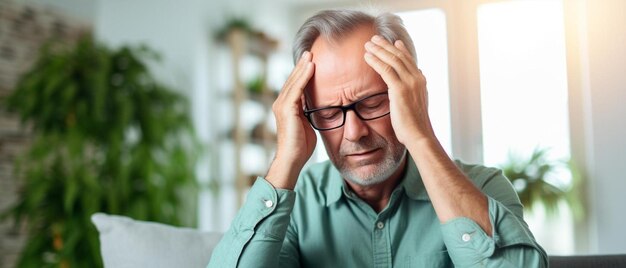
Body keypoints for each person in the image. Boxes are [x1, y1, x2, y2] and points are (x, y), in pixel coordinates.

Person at [208, 9, 547, 268]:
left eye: (372, 103)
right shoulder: (297, 205)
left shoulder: (485, 188)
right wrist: (285, 159)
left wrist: (421, 136)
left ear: (409, 94)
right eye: (328, 113)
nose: (353, 132)